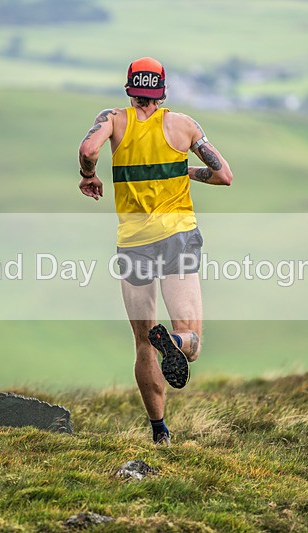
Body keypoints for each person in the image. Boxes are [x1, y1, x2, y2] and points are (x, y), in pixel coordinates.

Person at [77, 57, 233, 445]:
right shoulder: (184, 125)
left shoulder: (112, 119)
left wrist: (88, 175)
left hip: (133, 243)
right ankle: (176, 342)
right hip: (177, 238)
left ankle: (159, 431)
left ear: (130, 89)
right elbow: (223, 175)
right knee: (191, 341)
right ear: (162, 91)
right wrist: (185, 172)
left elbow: (89, 149)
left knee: (143, 341)